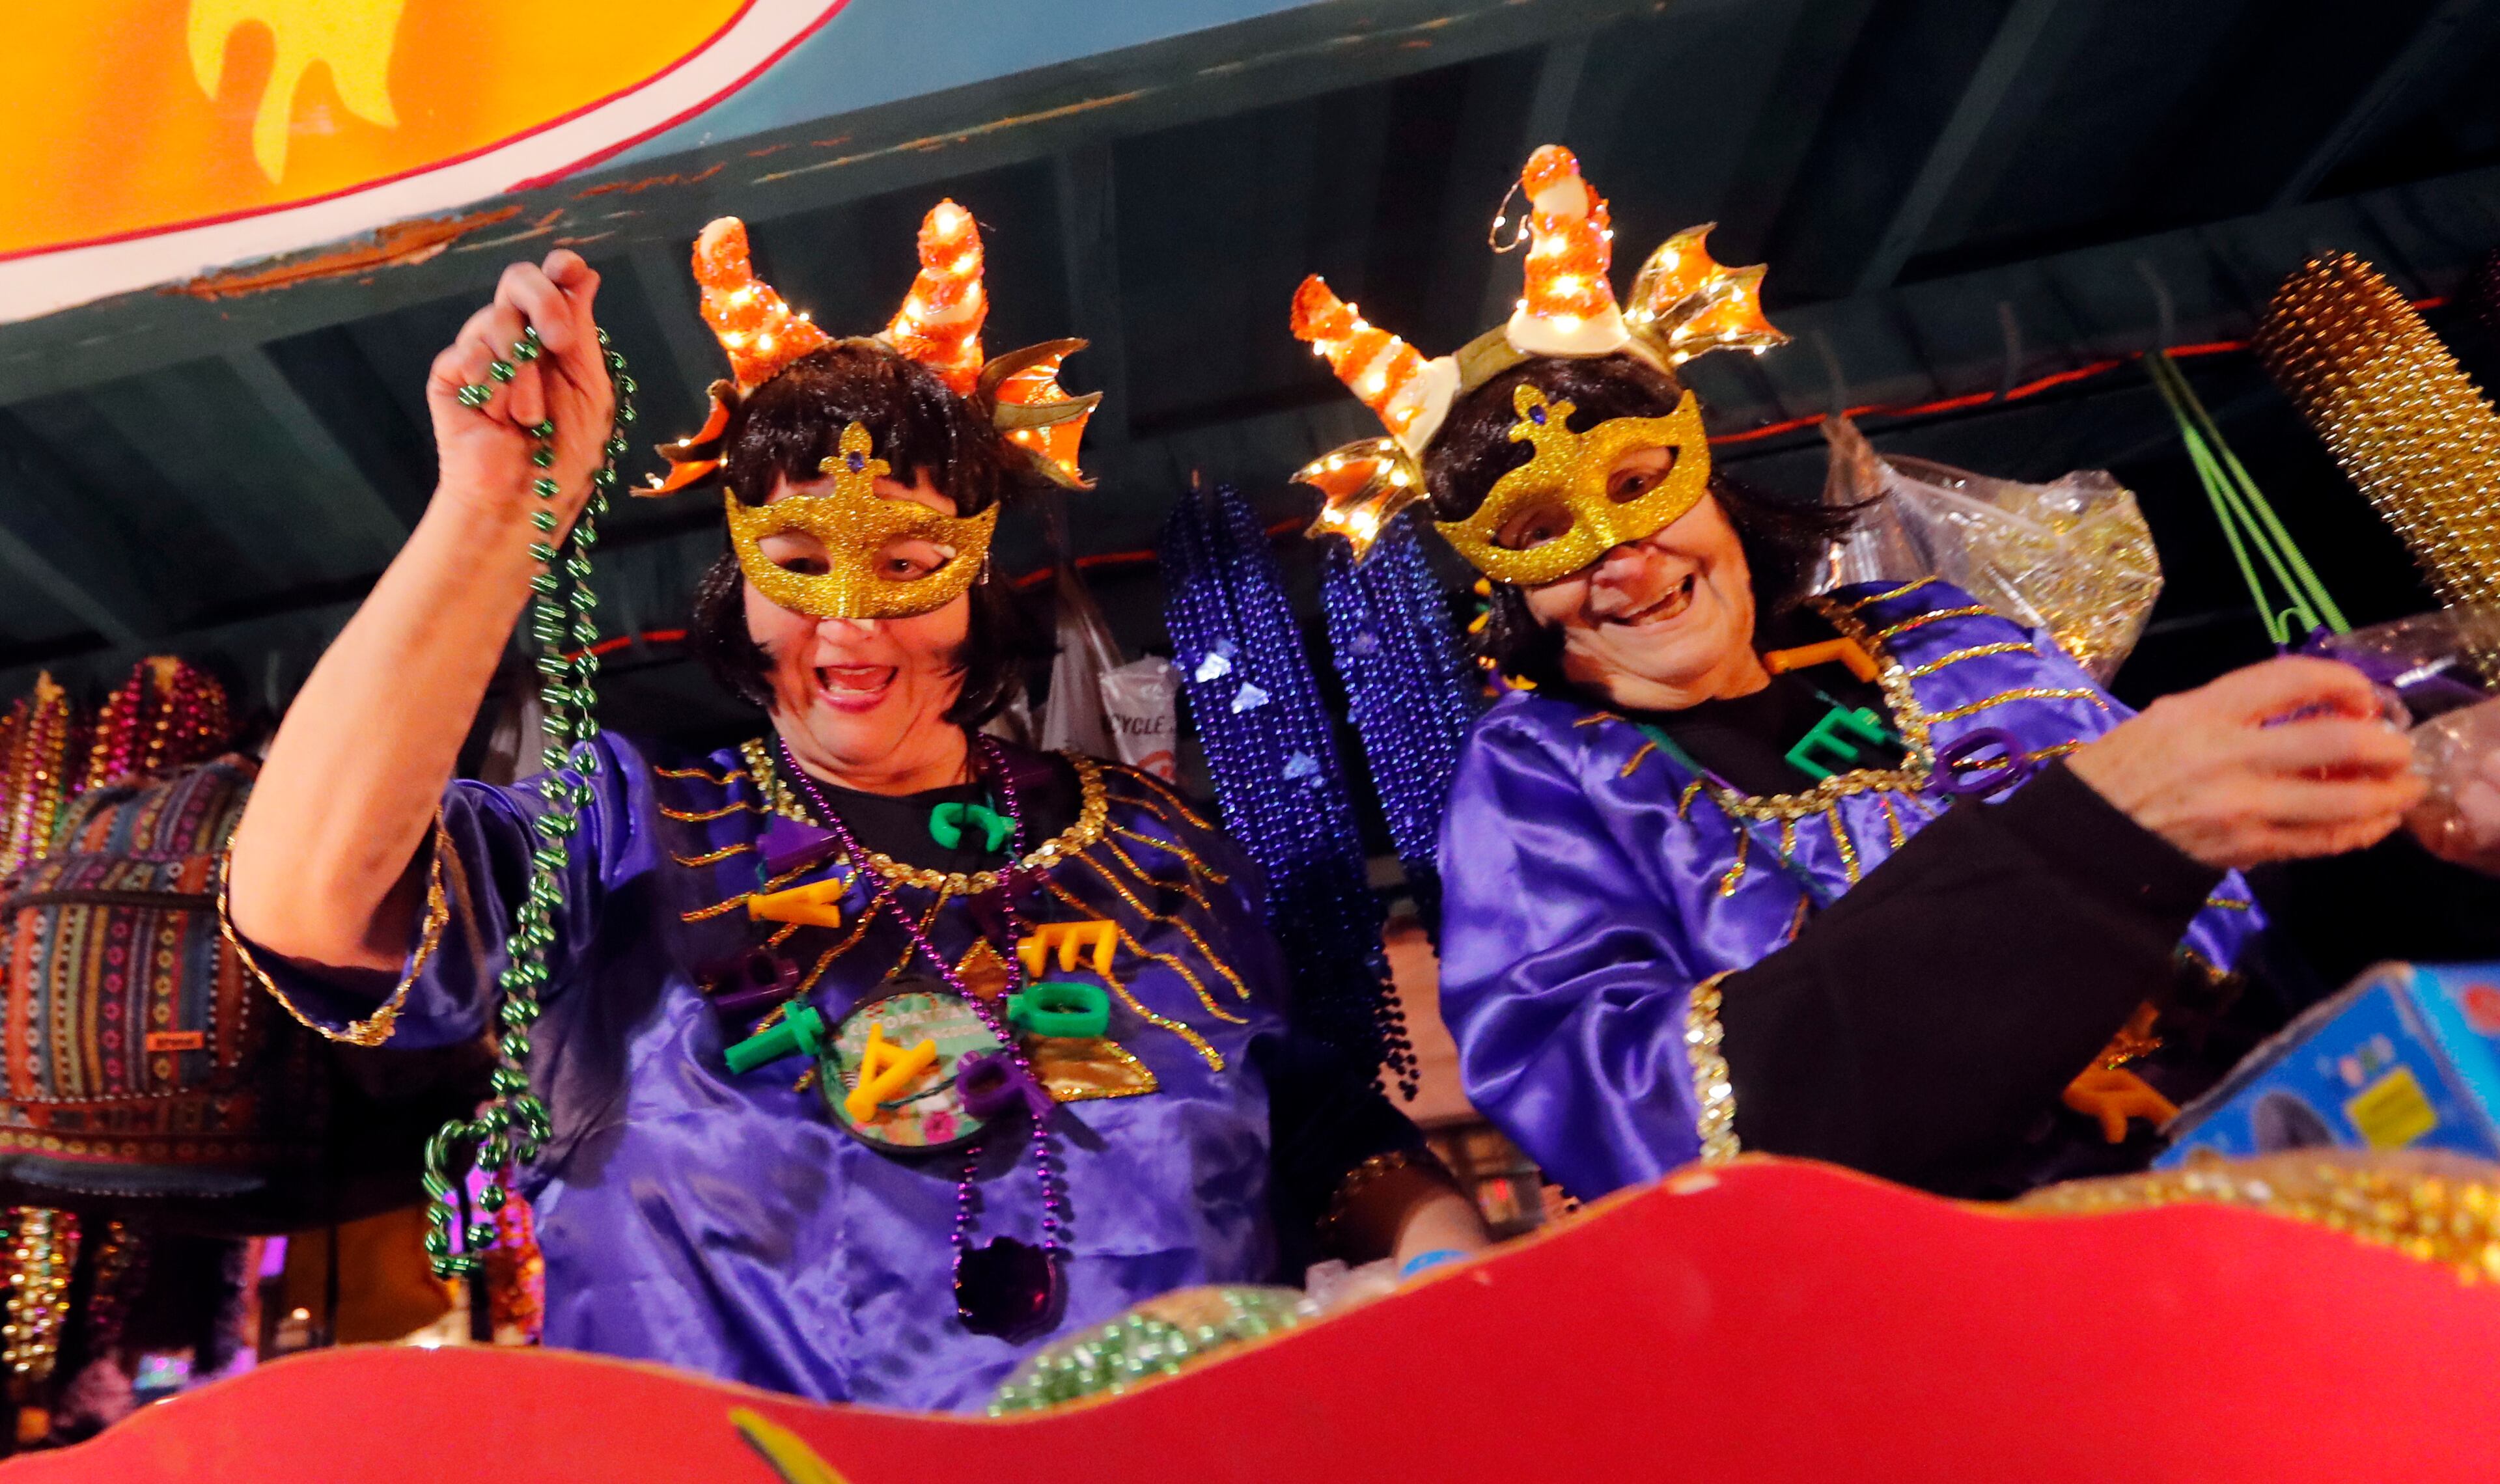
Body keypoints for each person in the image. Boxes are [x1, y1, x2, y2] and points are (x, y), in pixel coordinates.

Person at [224, 203, 1480, 1411]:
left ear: (978, 578)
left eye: (909, 563)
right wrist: (493, 510)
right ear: (738, 582)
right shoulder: (623, 835)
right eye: (800, 562)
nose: (850, 623)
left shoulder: (1160, 849)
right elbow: (306, 906)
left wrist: (1451, 1271)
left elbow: (1320, 1131)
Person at [1289, 146, 2428, 1202]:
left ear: (1709, 478)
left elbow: (2253, 895)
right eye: (1543, 532)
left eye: (1639, 486)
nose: (1619, 558)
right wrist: (2088, 843)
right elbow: (1633, 1114)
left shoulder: (1941, 638)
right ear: (1510, 586)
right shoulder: (1539, 783)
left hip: (2310, 1152)